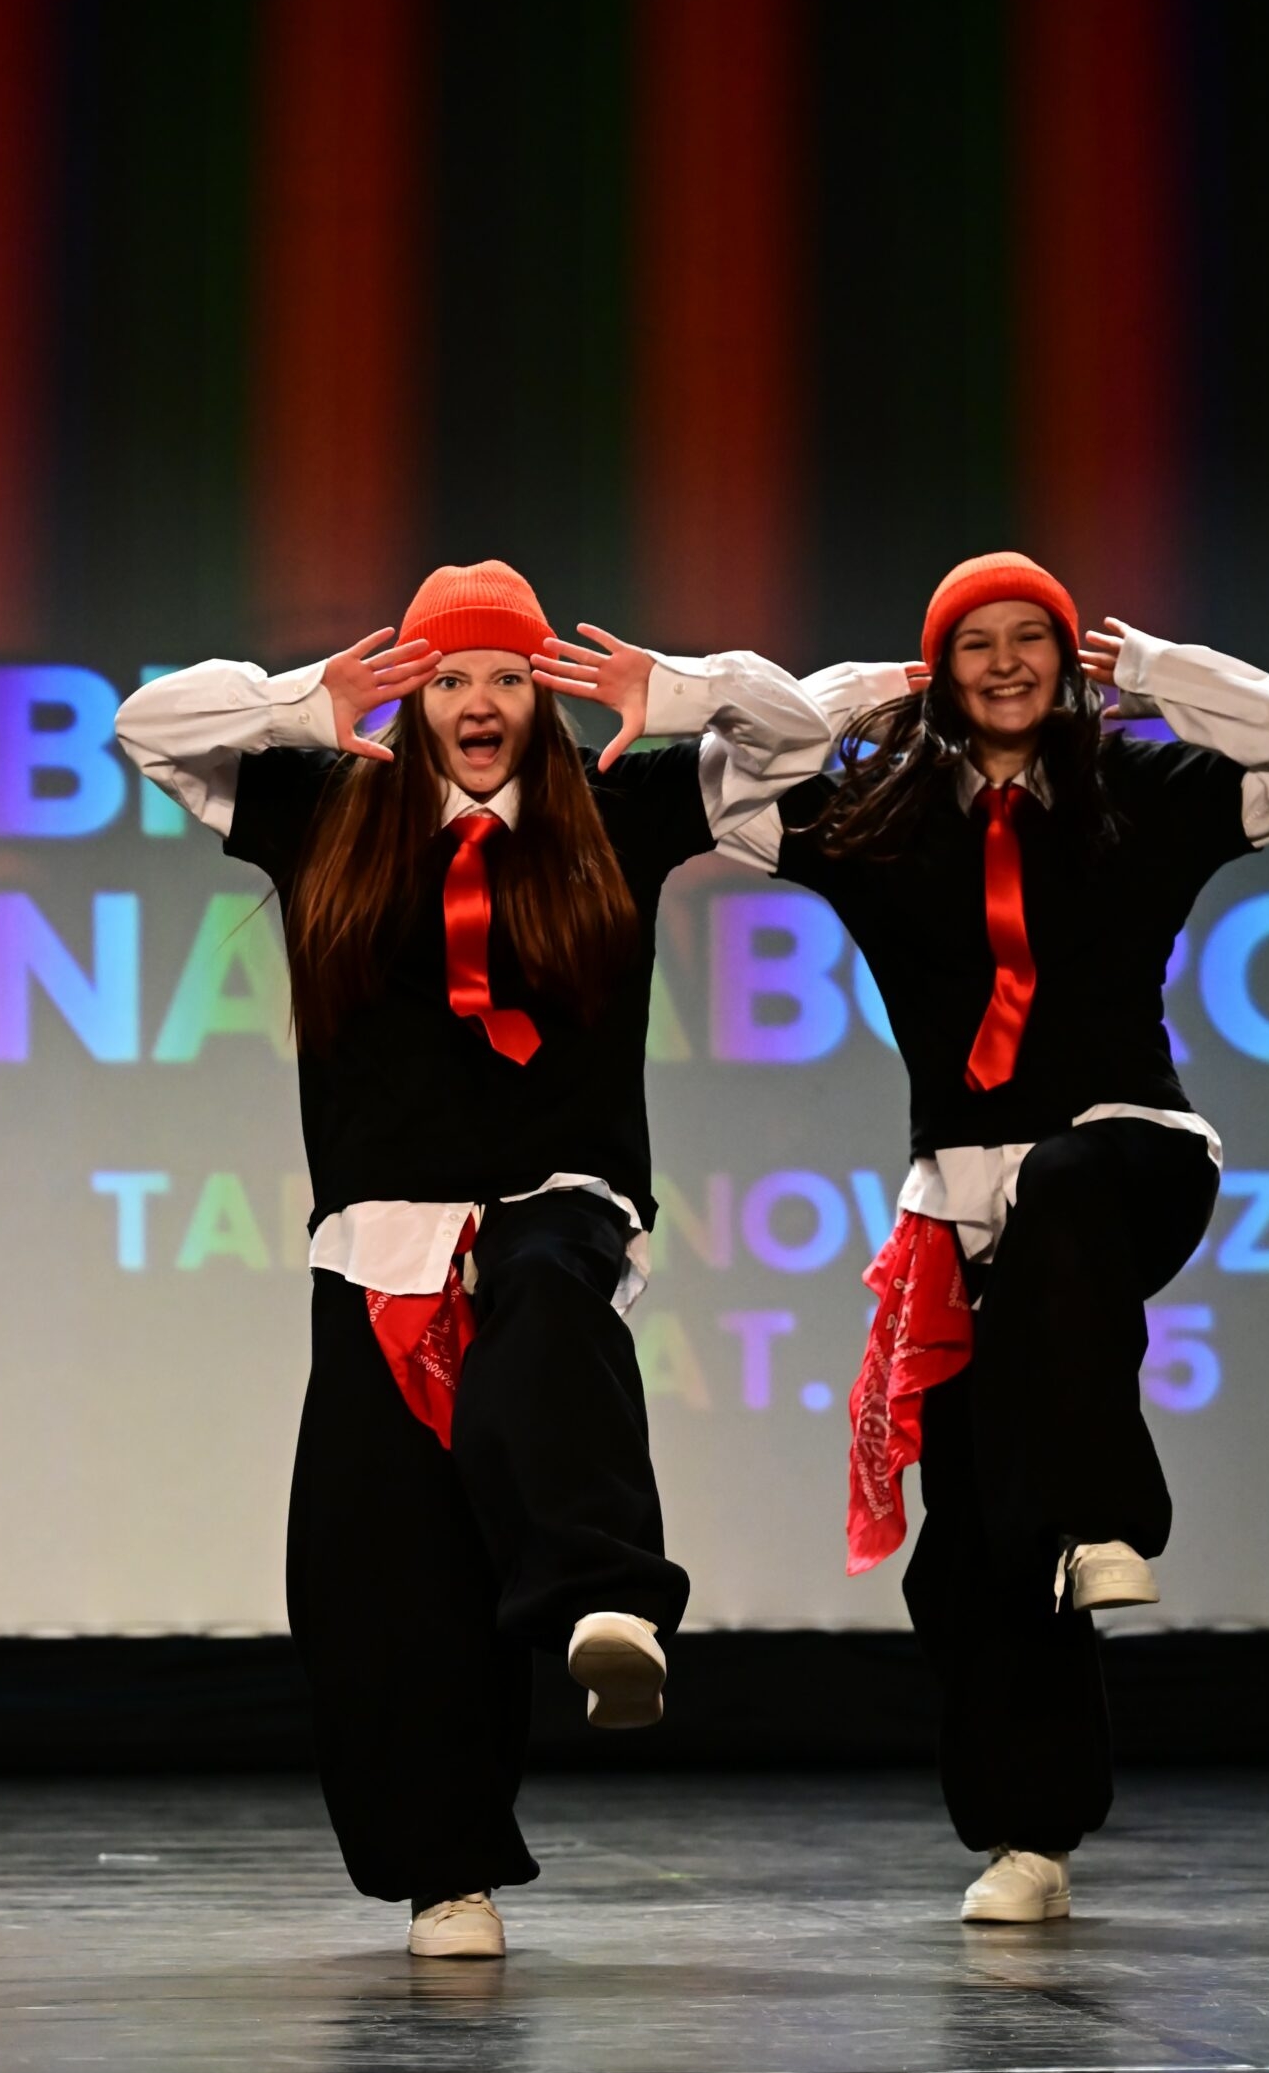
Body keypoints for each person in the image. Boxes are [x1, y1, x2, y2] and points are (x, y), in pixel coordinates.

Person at [115, 560, 829, 1957]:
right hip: (377, 1241)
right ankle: (449, 1873)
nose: (481, 704)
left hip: (554, 1198)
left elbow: (797, 741)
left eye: (507, 677)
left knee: (547, 1305)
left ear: (543, 698)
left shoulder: (613, 811)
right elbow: (148, 730)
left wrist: (676, 692)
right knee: (381, 1568)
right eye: (450, 679)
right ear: (415, 695)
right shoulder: (329, 811)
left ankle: (607, 1594)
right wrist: (306, 706)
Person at [721, 551, 1269, 1923]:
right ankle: (1028, 1838)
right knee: (969, 1556)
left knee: (1069, 1190)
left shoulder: (1137, 791)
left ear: (1070, 661)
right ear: (942, 673)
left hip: (1132, 1156)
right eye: (976, 643)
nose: (1009, 663)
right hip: (963, 1214)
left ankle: (1106, 1517)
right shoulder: (885, 820)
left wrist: (1158, 673)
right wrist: (851, 696)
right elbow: (729, 799)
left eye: (1036, 638)